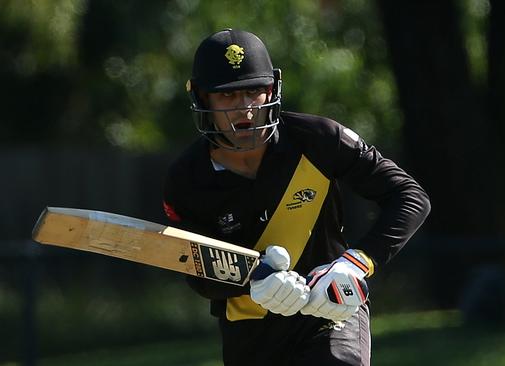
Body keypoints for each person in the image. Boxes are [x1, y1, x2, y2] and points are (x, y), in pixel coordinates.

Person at [163, 28, 430, 366]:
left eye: (254, 91)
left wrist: (356, 262)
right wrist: (253, 281)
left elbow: (409, 196)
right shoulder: (186, 179)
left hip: (331, 310)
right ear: (203, 99)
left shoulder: (317, 140)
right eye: (227, 96)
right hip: (249, 326)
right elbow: (198, 273)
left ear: (272, 90)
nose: (244, 108)